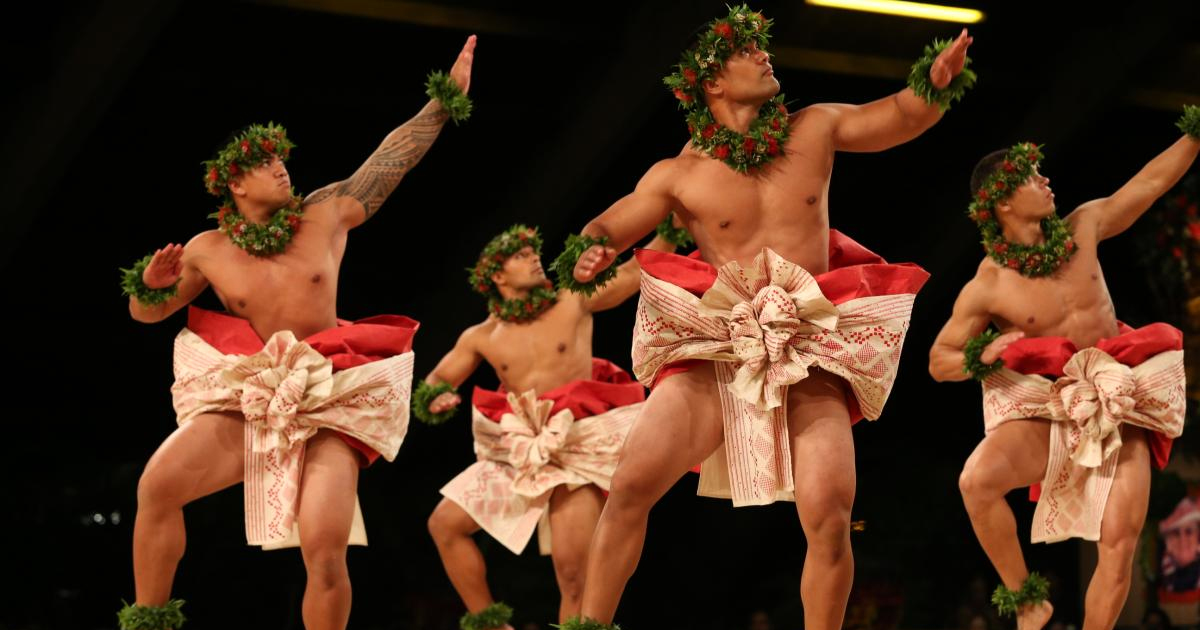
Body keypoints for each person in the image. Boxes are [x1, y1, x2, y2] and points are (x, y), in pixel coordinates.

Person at [552, 5, 973, 628]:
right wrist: (592, 244)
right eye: (745, 51)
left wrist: (933, 85)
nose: (764, 54)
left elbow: (897, 118)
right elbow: (619, 219)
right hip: (721, 343)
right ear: (712, 83)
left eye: (762, 48)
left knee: (830, 510)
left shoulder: (815, 127)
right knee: (632, 484)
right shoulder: (680, 174)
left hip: (808, 343)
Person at [114, 35, 477, 630]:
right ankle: (149, 621)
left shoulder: (325, 212)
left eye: (279, 158)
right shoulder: (209, 250)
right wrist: (147, 286)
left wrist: (439, 105)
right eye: (262, 163)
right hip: (255, 392)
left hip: (329, 391)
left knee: (326, 543)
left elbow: (390, 160)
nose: (279, 166)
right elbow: (147, 314)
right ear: (234, 185)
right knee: (157, 485)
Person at [928, 106, 1200, 629]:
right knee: (975, 483)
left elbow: (1148, 184)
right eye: (1031, 176)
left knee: (1118, 546)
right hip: (1051, 408)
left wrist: (1194, 135)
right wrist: (979, 356)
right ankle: (1027, 600)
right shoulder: (990, 284)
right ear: (1003, 201)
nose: (1045, 178)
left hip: (1120, 402)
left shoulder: (1085, 225)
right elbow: (939, 361)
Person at [414, 223, 677, 630]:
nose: (535, 258)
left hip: (577, 445)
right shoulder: (481, 336)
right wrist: (437, 398)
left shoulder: (572, 299)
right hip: (522, 446)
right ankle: (489, 623)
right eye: (520, 256)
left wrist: (670, 229)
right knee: (444, 525)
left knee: (574, 572)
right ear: (497, 277)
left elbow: (628, 275)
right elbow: (435, 382)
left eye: (533, 252)